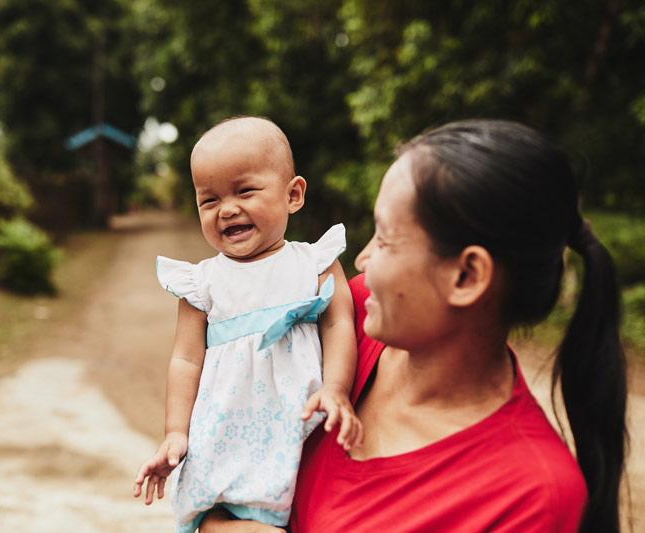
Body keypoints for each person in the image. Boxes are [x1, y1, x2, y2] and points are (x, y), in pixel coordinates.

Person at [200, 119, 628, 532]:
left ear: (466, 276)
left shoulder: (529, 496)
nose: (363, 259)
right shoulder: (350, 318)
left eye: (384, 239)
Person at [133, 116, 363, 532]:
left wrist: (337, 390)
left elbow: (339, 325)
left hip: (299, 434)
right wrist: (174, 433)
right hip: (224, 445)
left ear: (293, 195)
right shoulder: (201, 284)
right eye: (209, 200)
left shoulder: (314, 263)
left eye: (245, 191)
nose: (228, 209)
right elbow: (186, 359)